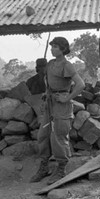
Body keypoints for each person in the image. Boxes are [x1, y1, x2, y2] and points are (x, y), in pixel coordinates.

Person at [30, 37, 85, 184]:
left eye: (55, 47)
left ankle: (61, 169)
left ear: (63, 49)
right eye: (51, 46)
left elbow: (80, 84)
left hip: (62, 106)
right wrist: (46, 94)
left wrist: (67, 98)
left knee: (59, 137)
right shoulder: (50, 64)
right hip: (50, 104)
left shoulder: (67, 66)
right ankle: (44, 167)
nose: (52, 49)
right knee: (43, 135)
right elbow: (48, 84)